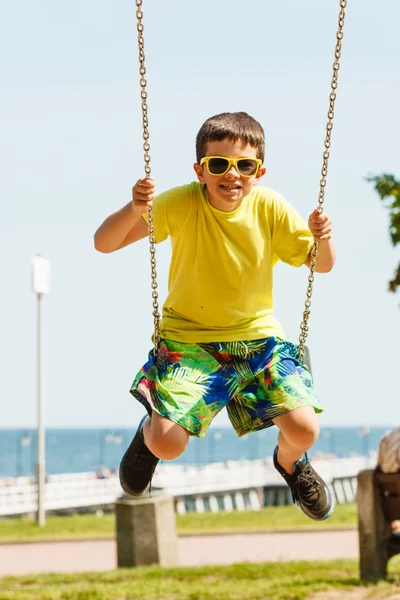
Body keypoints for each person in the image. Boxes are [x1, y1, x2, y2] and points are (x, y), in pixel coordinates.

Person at [94, 112, 336, 521]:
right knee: (169, 445)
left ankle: (292, 464)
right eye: (219, 164)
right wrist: (134, 209)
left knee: (304, 429)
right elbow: (104, 243)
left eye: (244, 165)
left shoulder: (271, 206)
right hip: (189, 344)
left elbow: (320, 265)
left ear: (259, 172)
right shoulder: (182, 201)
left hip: (258, 342)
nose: (232, 175)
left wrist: (324, 239)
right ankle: (149, 436)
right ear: (200, 170)